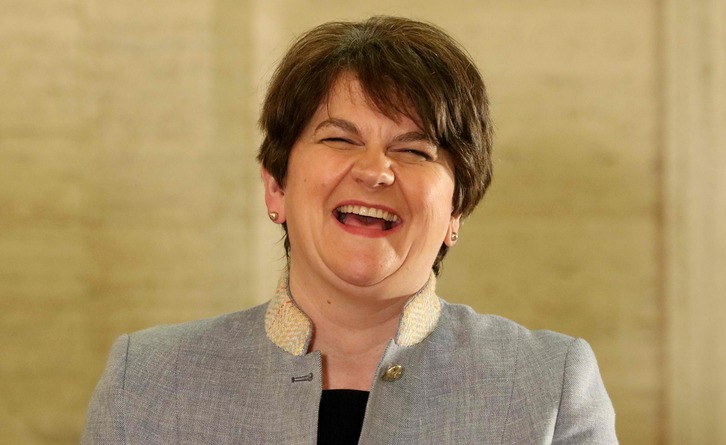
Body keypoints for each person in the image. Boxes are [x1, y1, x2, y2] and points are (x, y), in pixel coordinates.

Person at [82, 16, 617, 444]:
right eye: (340, 139)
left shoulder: (548, 384)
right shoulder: (149, 380)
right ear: (276, 185)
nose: (376, 170)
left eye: (413, 150)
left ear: (456, 211)